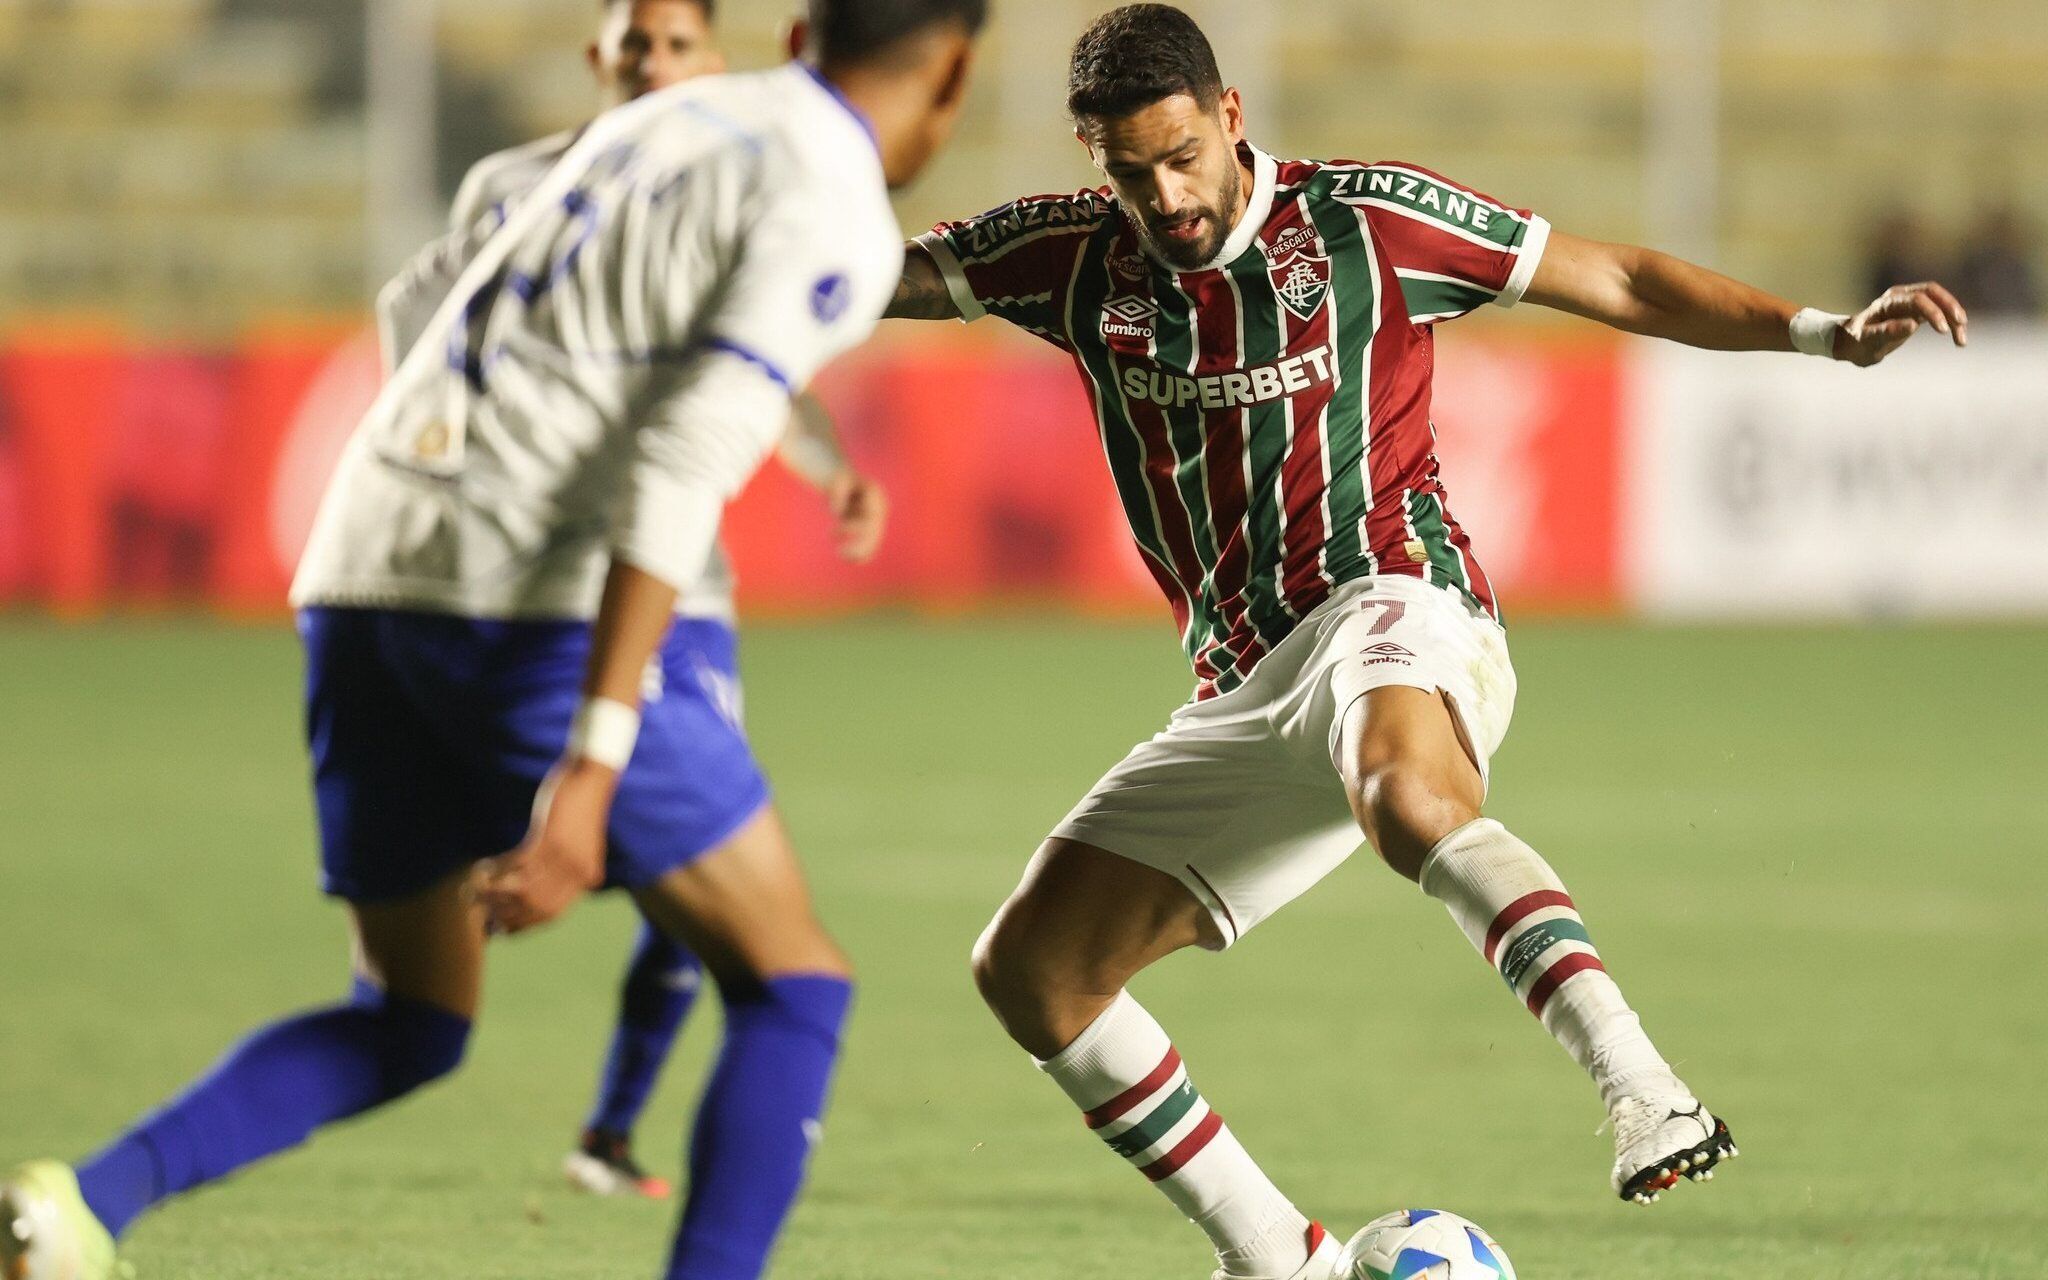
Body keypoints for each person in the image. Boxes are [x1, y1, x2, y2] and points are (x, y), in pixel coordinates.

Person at [885, 7, 1967, 1278]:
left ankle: (1642, 1084)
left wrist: (1816, 331)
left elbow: (1612, 277)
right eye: (1130, 171)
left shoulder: (1365, 223)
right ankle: (1277, 1258)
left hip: (1393, 602)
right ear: (1093, 158)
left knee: (1402, 787)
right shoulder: (1069, 256)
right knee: (1033, 971)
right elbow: (856, 275)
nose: (1164, 194)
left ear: (1230, 115)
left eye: (1181, 154)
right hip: (1244, 684)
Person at [0, 3, 984, 1278]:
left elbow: (436, 297)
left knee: (413, 1013)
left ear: (798, 32)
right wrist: (590, 765)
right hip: (522, 598)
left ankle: (74, 1208)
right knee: (792, 982)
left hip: (361, 562)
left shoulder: (664, 121)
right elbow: (680, 463)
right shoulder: (829, 195)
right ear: (953, 68)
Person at [410, 0, 892, 1201]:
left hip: (673, 578)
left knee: (695, 876)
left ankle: (611, 1133)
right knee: (694, 882)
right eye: (637, 47)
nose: (656, 65)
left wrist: (832, 470)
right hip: (524, 578)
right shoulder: (514, 188)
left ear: (714, 62)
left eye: (678, 46)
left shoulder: (734, 189)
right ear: (599, 59)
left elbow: (752, 374)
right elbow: (415, 324)